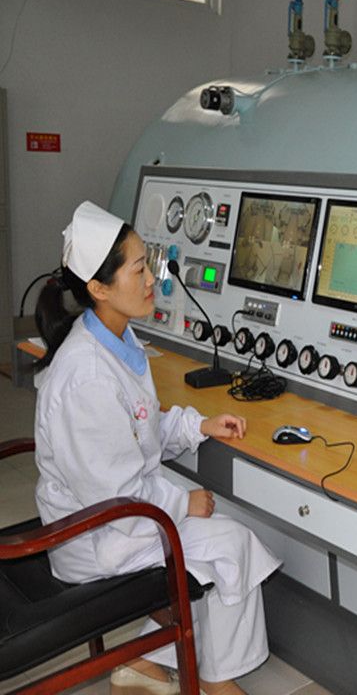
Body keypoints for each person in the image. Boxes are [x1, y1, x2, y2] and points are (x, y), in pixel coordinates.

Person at [33, 201, 282, 695]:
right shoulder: (86, 376)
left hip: (113, 513)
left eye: (149, 264)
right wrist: (182, 503)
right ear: (100, 288)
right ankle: (216, 679)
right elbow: (115, 495)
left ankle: (145, 660)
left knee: (222, 529)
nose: (153, 279)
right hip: (96, 534)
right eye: (140, 269)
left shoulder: (115, 338)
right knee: (233, 545)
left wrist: (198, 425)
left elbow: (140, 426)